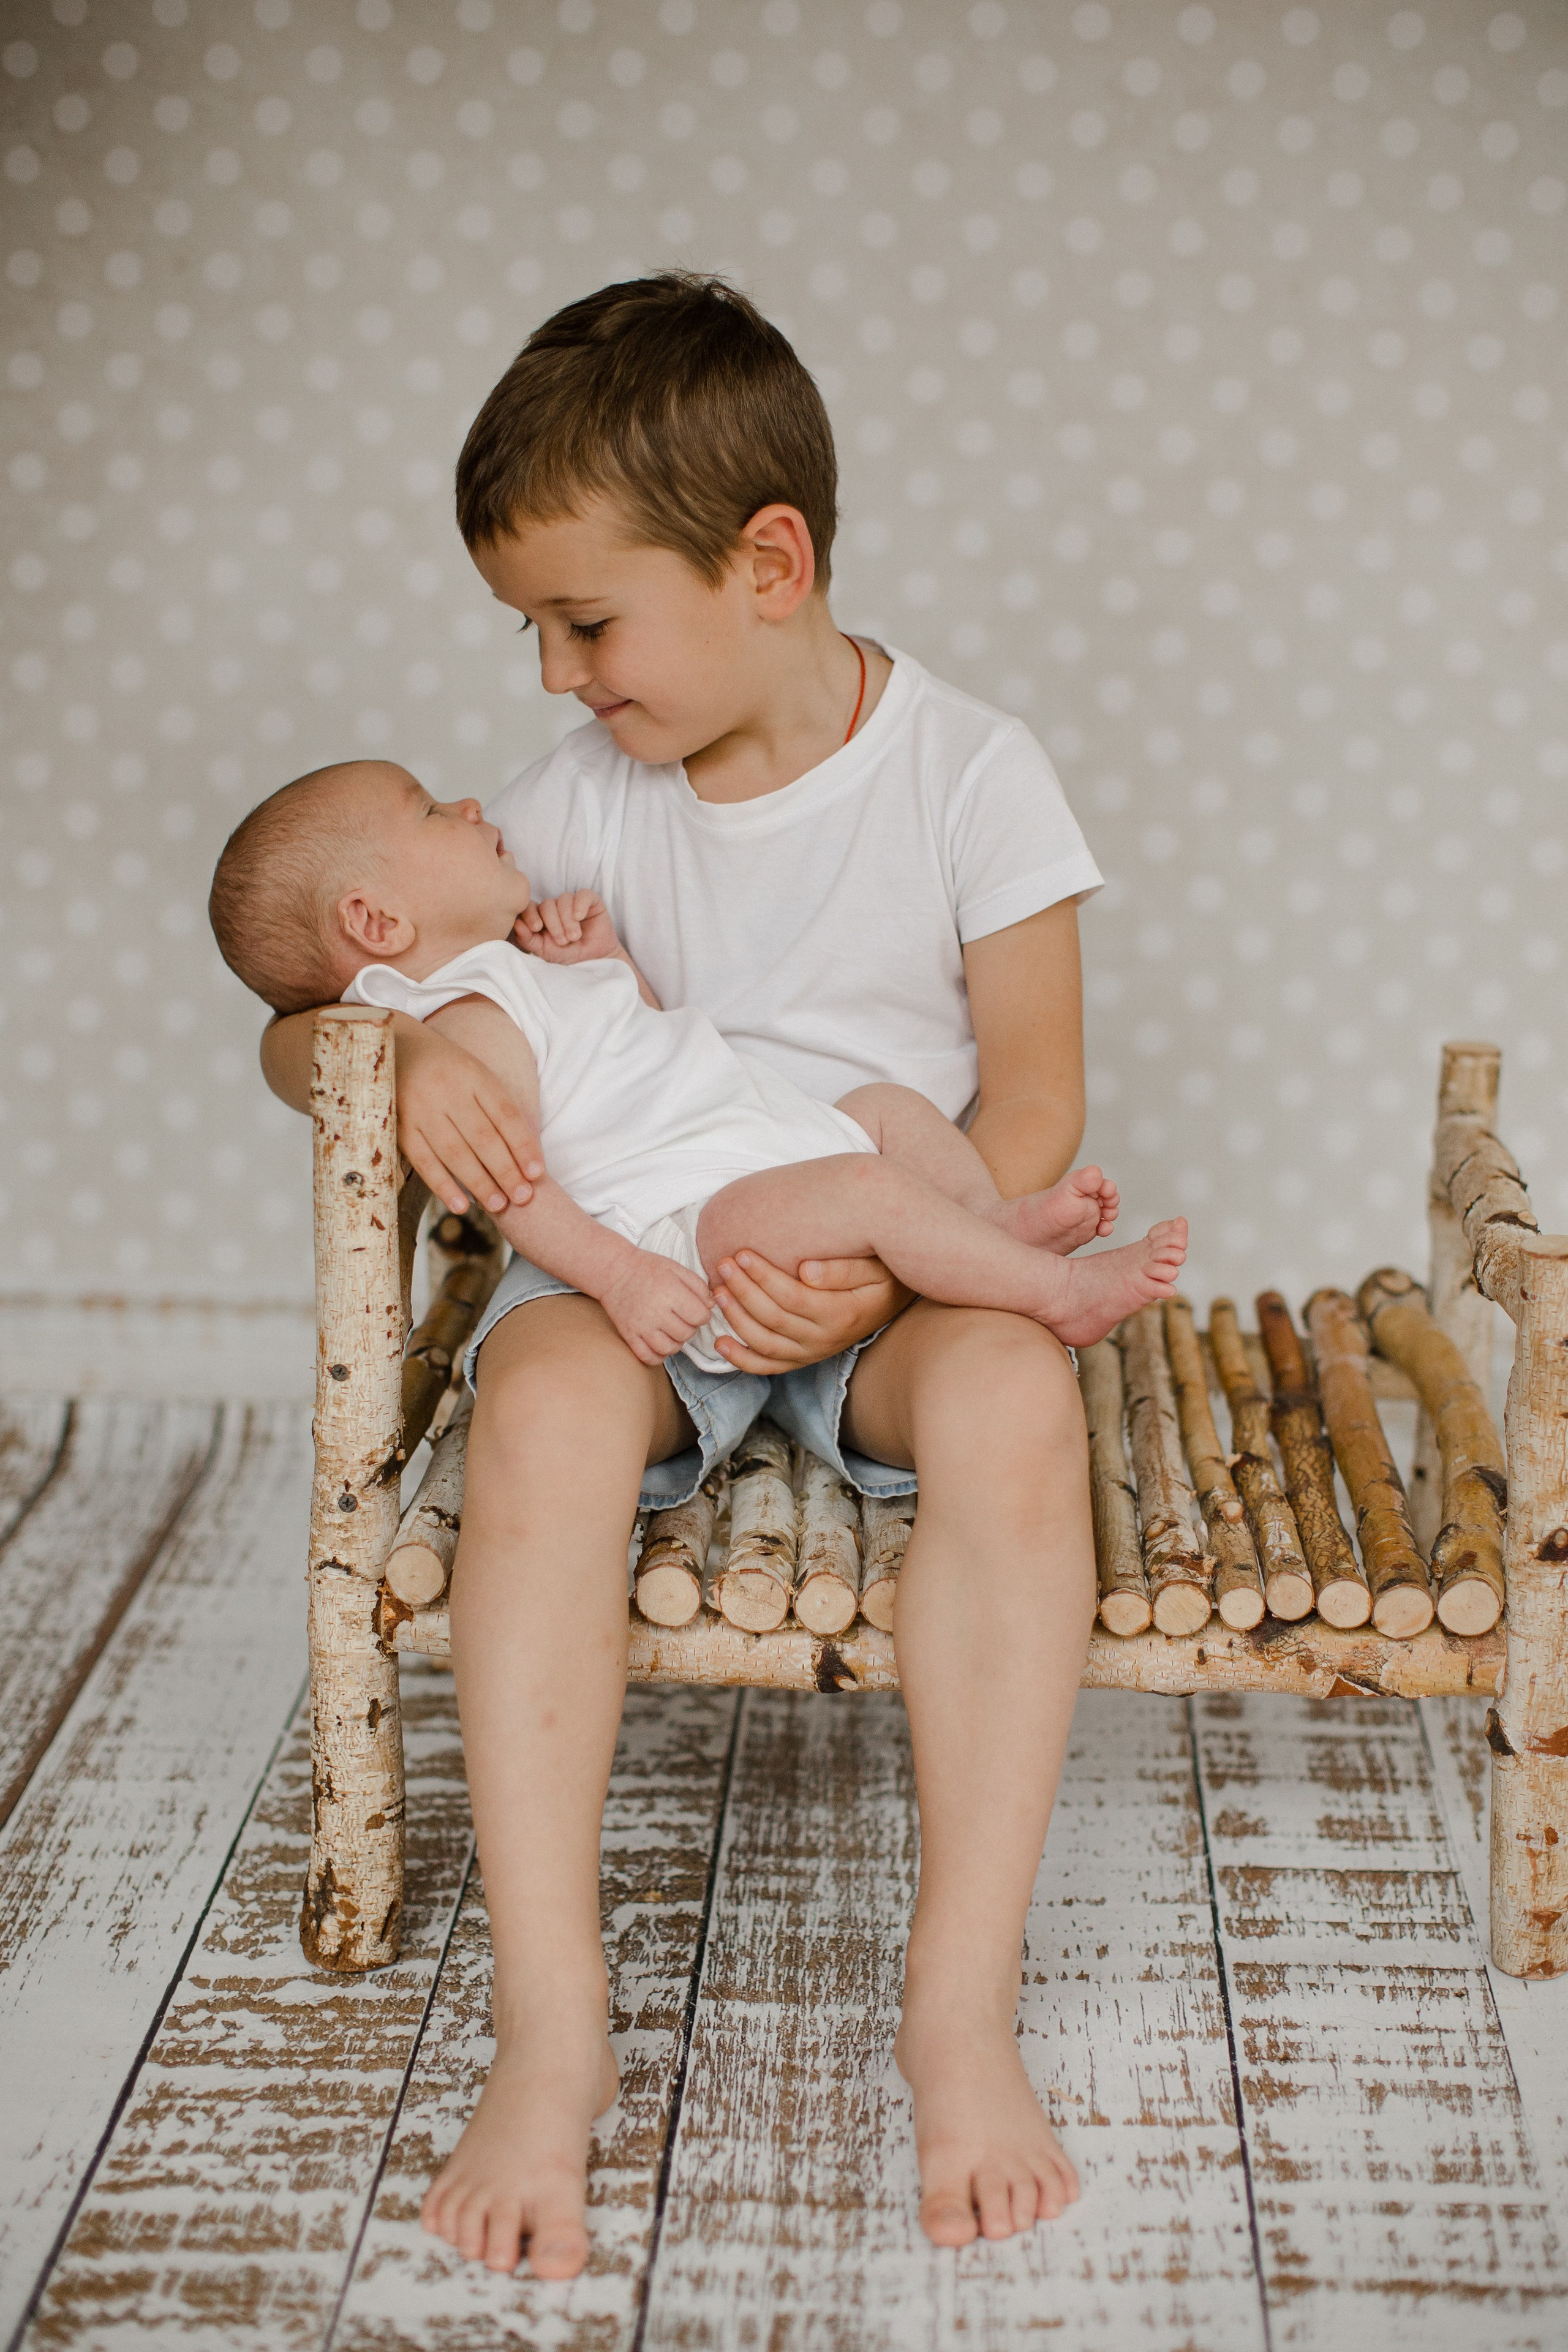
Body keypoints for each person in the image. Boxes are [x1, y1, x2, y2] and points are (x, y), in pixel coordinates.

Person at [258, 271, 1123, 2277]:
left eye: (584, 622)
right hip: (641, 1269)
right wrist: (400, 1070)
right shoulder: (572, 809)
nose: (556, 678)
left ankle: (958, 2015)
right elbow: (305, 1019)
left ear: (768, 562)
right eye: (534, 633)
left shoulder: (972, 777)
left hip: (882, 1257)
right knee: (546, 1410)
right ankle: (553, 2036)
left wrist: (877, 1255)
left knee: (1008, 1400)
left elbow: (1041, 1108)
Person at [212, 761, 1185, 1362]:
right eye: (430, 812)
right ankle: (1060, 1296)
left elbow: (646, 1054)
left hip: (754, 1152)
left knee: (888, 1110)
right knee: (871, 1184)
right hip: (692, 1226)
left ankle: (989, 1225)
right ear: (376, 921)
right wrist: (625, 1277)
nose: (468, 802)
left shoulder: (512, 976)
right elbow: (519, 1188)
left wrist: (605, 967)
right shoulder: (465, 1032)